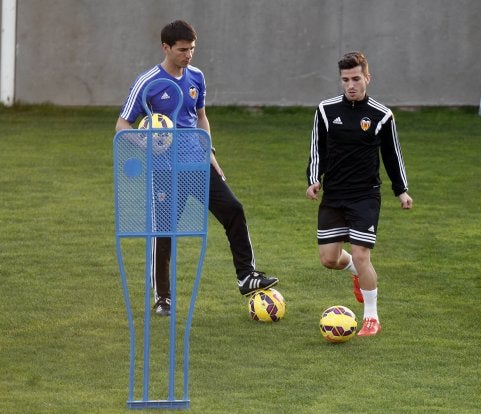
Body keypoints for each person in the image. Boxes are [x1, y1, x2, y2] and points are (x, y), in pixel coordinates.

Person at [116, 20, 278, 316]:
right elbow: (122, 125)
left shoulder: (196, 77)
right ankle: (163, 299)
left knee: (233, 209)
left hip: (197, 164)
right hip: (164, 171)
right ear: (166, 48)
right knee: (164, 233)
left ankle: (246, 276)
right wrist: (146, 144)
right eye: (182, 50)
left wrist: (210, 151)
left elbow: (200, 117)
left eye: (192, 49)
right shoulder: (148, 82)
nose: (188, 55)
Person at [306, 51, 412, 337]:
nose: (350, 85)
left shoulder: (381, 115)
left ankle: (372, 318)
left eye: (356, 79)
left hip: (365, 196)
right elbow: (318, 149)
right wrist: (314, 179)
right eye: (345, 80)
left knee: (362, 254)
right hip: (334, 195)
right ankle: (354, 270)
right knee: (329, 259)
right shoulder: (326, 111)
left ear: (367, 78)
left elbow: (393, 155)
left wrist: (401, 190)